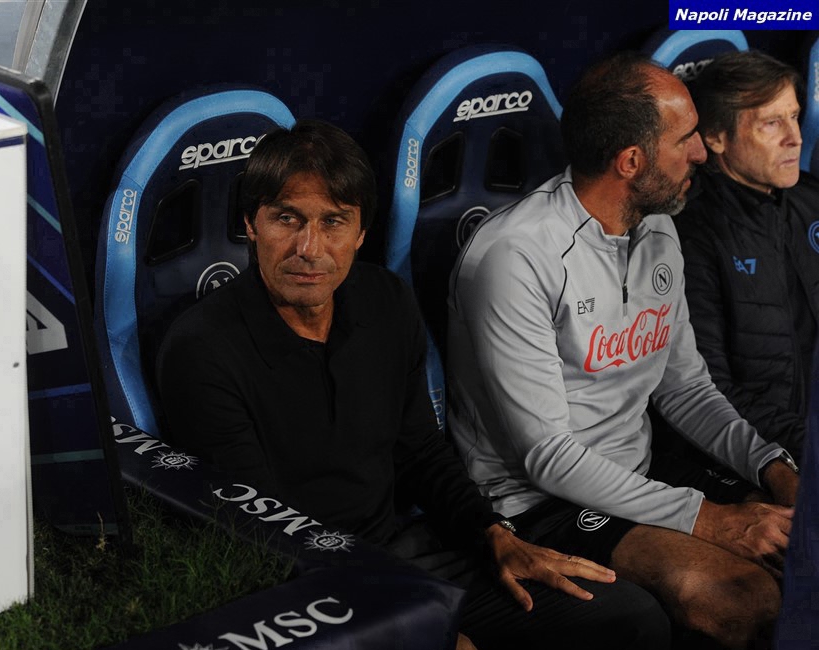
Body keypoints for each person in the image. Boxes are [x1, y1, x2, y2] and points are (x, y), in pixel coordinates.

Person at [156, 119, 669, 649]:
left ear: (361, 233)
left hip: (407, 551)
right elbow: (260, 533)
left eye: (334, 222)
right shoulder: (201, 347)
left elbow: (421, 451)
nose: (309, 247)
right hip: (306, 588)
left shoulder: (385, 300)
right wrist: (417, 623)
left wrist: (494, 536)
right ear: (251, 224)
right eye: (287, 219)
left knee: (628, 617)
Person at [447, 52, 800, 649]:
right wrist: (712, 520)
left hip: (640, 464)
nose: (701, 153)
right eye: (685, 139)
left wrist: (772, 466)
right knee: (744, 597)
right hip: (539, 502)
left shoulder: (657, 225)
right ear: (631, 161)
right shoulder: (515, 256)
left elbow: (686, 388)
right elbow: (548, 457)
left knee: (802, 544)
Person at [674, 50, 819, 462]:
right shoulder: (693, 234)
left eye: (794, 116)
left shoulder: (811, 197)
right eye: (771, 123)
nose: (795, 138)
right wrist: (808, 442)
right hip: (768, 452)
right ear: (716, 138)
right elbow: (708, 392)